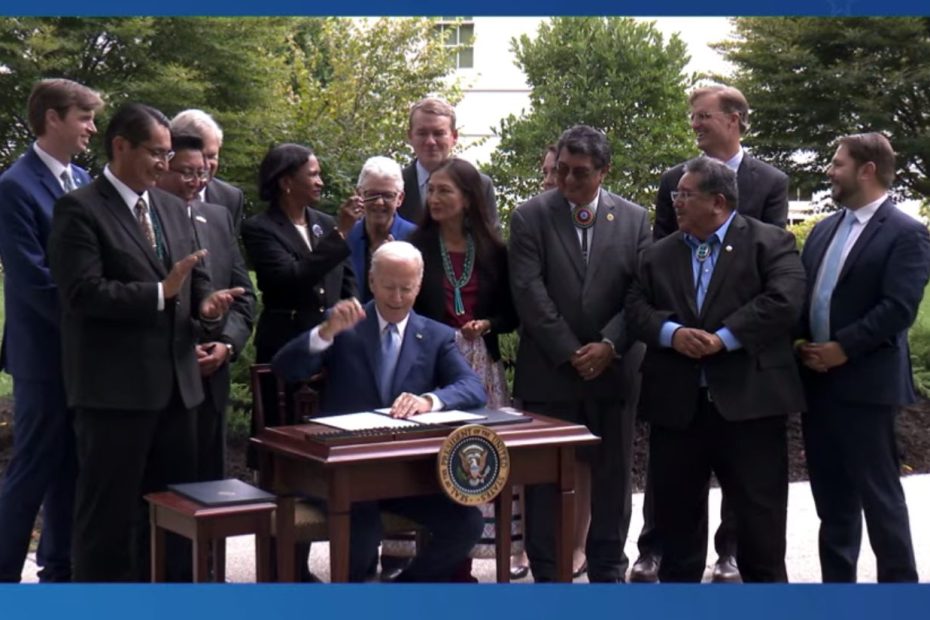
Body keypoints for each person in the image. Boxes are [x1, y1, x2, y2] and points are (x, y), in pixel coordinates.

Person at [47, 102, 245, 581]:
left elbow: (190, 281)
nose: (164, 163)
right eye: (156, 153)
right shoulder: (80, 209)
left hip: (179, 394)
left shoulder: (173, 208)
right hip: (115, 396)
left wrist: (205, 307)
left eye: (168, 153)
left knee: (175, 521)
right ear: (120, 147)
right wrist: (160, 293)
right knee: (109, 523)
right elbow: (81, 294)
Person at [632, 83, 791, 584]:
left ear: (718, 202)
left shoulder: (770, 243)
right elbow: (636, 306)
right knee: (678, 542)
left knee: (762, 543)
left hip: (750, 405)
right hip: (679, 410)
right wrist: (671, 333)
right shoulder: (660, 253)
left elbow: (784, 302)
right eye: (675, 193)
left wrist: (724, 337)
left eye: (685, 195)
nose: (674, 200)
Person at [272, 241, 486, 582]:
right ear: (372, 281)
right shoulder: (343, 325)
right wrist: (324, 334)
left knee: (467, 524)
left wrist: (429, 401)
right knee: (363, 533)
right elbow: (286, 368)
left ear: (419, 284)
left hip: (403, 473)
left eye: (407, 288)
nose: (397, 297)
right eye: (389, 286)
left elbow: (473, 388)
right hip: (341, 472)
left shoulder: (436, 336)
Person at [509, 125, 651, 583]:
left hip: (613, 373)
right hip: (550, 372)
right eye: (563, 170)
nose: (568, 181)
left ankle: (608, 570)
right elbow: (529, 293)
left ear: (604, 171)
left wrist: (609, 346)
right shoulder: (529, 216)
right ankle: (550, 577)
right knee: (546, 483)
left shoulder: (634, 219)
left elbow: (641, 292)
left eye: (581, 173)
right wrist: (572, 351)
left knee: (612, 481)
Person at [798, 132, 930, 583]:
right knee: (832, 503)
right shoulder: (823, 229)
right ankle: (839, 598)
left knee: (879, 497)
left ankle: (899, 595)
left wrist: (842, 348)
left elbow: (898, 308)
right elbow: (806, 295)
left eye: (838, 164)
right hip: (817, 383)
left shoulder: (907, 233)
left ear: (866, 169)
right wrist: (802, 344)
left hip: (866, 386)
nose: (830, 172)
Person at [0, 78, 103, 583]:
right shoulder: (14, 186)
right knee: (33, 468)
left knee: (72, 467)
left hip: (82, 354)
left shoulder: (82, 179)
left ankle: (58, 570)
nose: (92, 128)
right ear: (52, 118)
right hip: (42, 355)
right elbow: (31, 279)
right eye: (83, 117)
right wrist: (96, 315)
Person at [408, 157, 520, 576]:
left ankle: (462, 568)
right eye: (431, 190)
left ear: (469, 200)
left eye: (444, 191)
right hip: (430, 368)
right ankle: (427, 565)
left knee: (473, 463)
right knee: (430, 465)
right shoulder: (416, 246)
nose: (434, 198)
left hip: (481, 370)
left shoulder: (494, 249)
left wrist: (488, 323)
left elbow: (512, 313)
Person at [155, 132, 255, 481]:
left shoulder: (217, 217)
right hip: (160, 383)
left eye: (203, 174)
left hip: (212, 378)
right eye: (187, 173)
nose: (197, 184)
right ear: (161, 167)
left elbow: (243, 298)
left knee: (207, 493)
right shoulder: (143, 219)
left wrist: (225, 345)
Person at [241, 143, 359, 432]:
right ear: (286, 182)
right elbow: (291, 278)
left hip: (330, 347)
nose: (320, 182)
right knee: (282, 431)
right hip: (285, 344)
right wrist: (341, 233)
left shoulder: (323, 223)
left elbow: (346, 277)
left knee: (328, 431)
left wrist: (350, 307)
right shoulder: (260, 228)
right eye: (313, 175)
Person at [398, 97, 497, 227]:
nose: (430, 142)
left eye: (438, 133)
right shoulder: (393, 186)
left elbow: (490, 241)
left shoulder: (480, 185)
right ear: (410, 136)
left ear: (454, 137)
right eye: (422, 133)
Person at [346, 156, 417, 302]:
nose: (379, 203)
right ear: (359, 195)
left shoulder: (416, 239)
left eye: (388, 195)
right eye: (371, 195)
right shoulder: (345, 237)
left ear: (400, 198)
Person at [170, 108, 245, 232]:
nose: (205, 165)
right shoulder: (155, 191)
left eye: (211, 156)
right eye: (199, 156)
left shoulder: (230, 197)